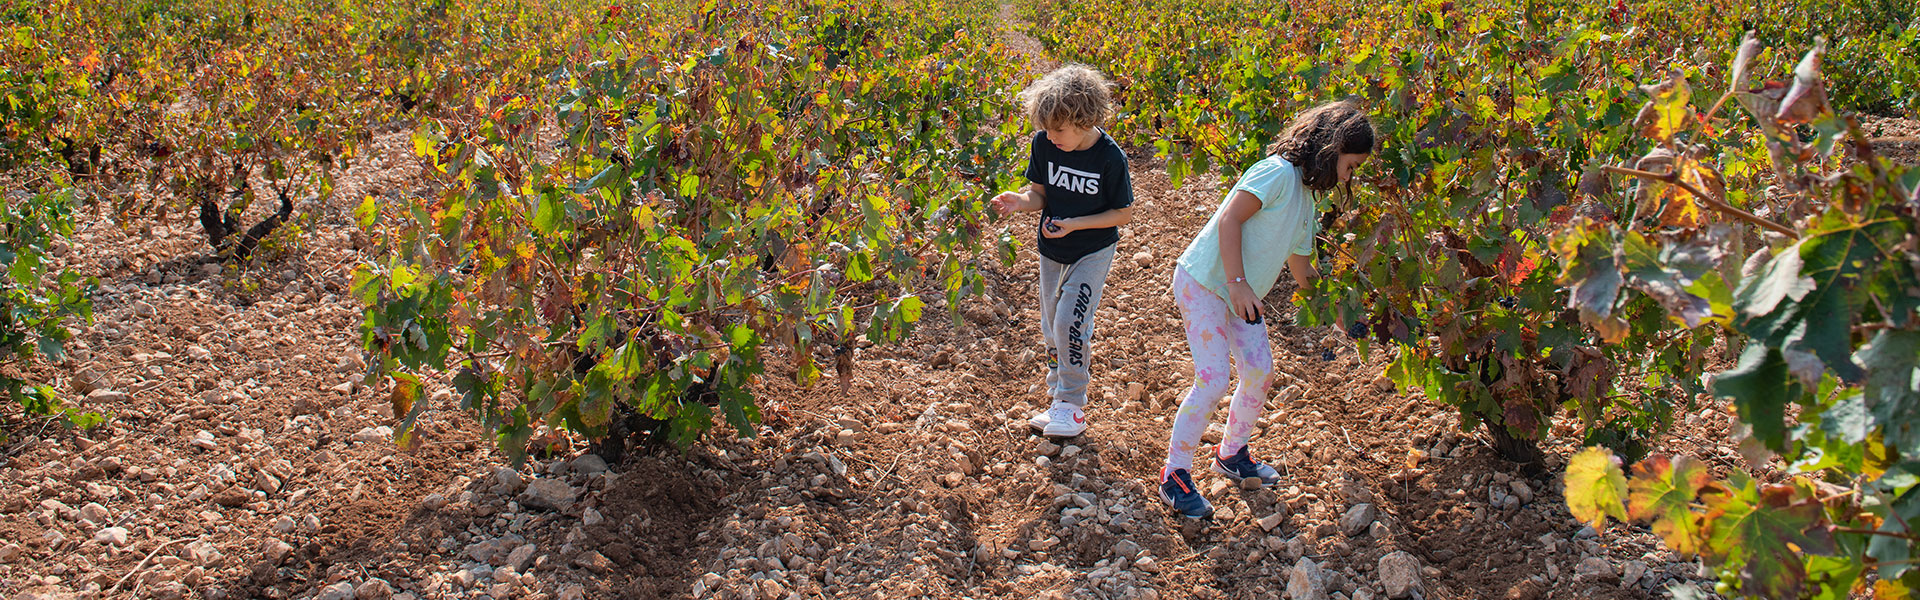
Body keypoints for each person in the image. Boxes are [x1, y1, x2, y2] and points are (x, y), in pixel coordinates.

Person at [1157, 100, 1375, 519]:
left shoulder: (1308, 201)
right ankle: (1175, 475)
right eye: (1351, 165)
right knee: (1213, 378)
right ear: (1331, 150)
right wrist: (1237, 284)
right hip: (1205, 283)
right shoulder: (1276, 172)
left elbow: (1301, 267)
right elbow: (1229, 220)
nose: (1351, 176)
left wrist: (1341, 314)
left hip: (1243, 295)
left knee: (1260, 372)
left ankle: (1231, 453)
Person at [991, 64, 1134, 440]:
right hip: (1052, 249)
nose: (1051, 137)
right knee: (1051, 324)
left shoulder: (1109, 158)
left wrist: (1075, 224)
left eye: (1059, 130)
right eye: (1046, 129)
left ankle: (1072, 404)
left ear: (1085, 120)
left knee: (1071, 321)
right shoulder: (1044, 143)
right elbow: (1040, 194)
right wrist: (1020, 202)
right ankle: (1057, 395)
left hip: (1092, 250)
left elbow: (1123, 213)